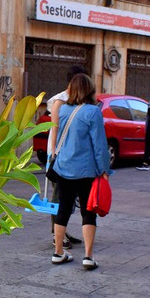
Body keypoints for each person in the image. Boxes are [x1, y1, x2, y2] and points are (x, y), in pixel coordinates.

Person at [47, 73, 111, 270]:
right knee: (88, 212)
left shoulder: (63, 109)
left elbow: (56, 136)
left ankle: (58, 252)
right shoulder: (93, 112)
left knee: (63, 209)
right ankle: (88, 257)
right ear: (89, 89)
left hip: (64, 167)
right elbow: (99, 145)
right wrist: (104, 170)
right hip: (86, 170)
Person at [46, 65, 87, 248]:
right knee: (58, 196)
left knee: (68, 196)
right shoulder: (60, 101)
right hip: (60, 155)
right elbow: (55, 129)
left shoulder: (76, 100)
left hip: (73, 155)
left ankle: (63, 231)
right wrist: (55, 155)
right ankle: (57, 236)